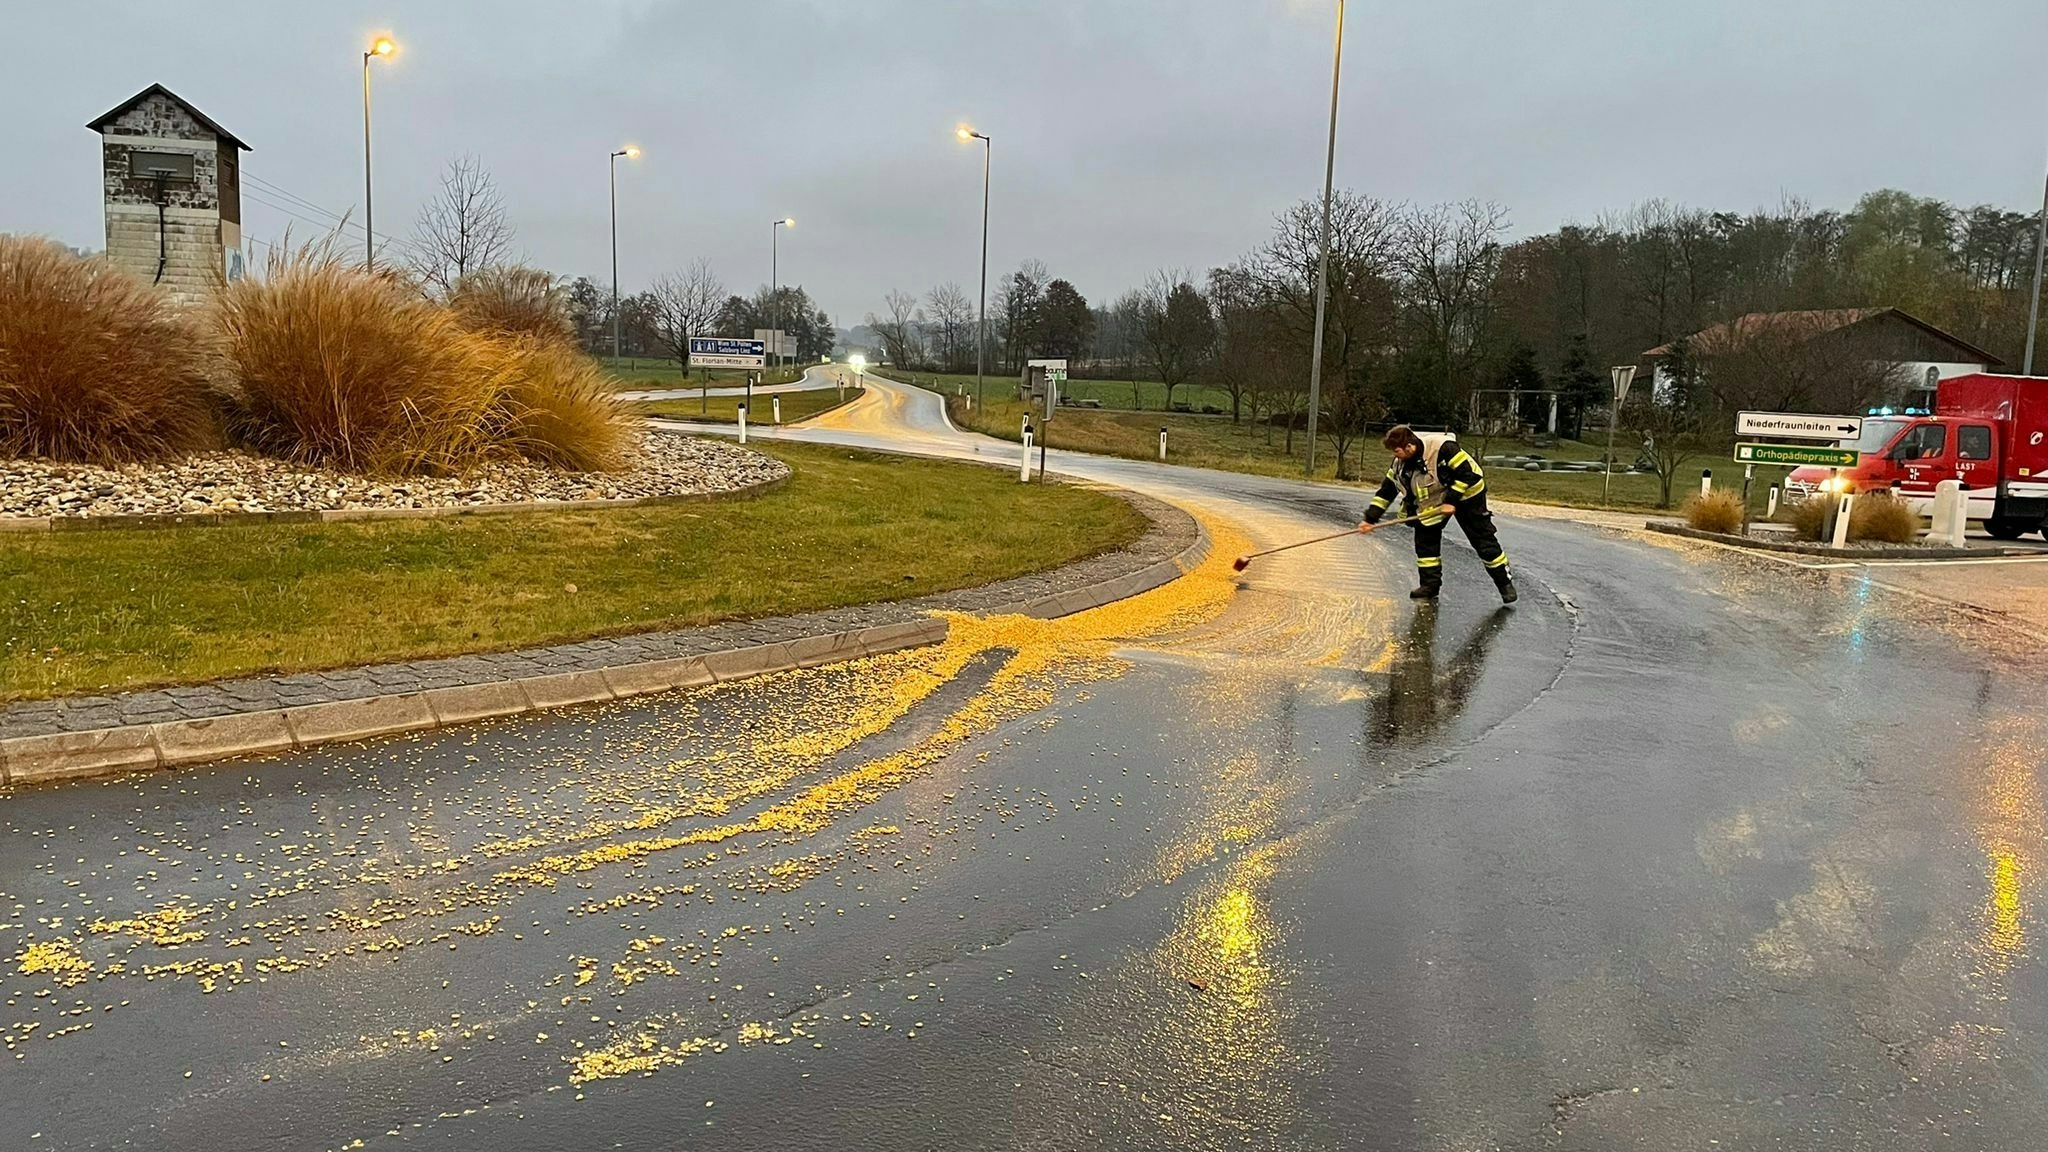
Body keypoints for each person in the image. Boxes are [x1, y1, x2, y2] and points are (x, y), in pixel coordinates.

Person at [1359, 425, 1517, 603]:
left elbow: (1467, 474)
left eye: (1397, 451)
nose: (1395, 456)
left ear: (1409, 446)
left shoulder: (1444, 448)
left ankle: (1505, 584)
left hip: (1468, 494)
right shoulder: (1399, 466)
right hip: (1436, 501)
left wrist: (1451, 501)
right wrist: (1370, 519)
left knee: (1482, 539)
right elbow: (1386, 492)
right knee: (1425, 540)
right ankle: (1430, 586)